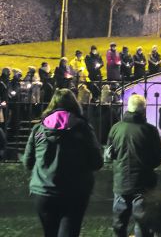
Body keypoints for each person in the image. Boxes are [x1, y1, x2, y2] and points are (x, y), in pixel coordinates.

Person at [22, 89, 103, 237]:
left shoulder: (38, 129)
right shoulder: (83, 128)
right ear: (74, 105)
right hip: (75, 192)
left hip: (44, 190)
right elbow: (97, 162)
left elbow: (28, 162)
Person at [106, 94, 161, 237]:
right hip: (143, 183)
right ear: (143, 110)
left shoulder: (116, 128)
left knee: (119, 223)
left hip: (121, 181)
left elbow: (109, 154)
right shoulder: (150, 130)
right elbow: (158, 158)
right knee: (143, 223)